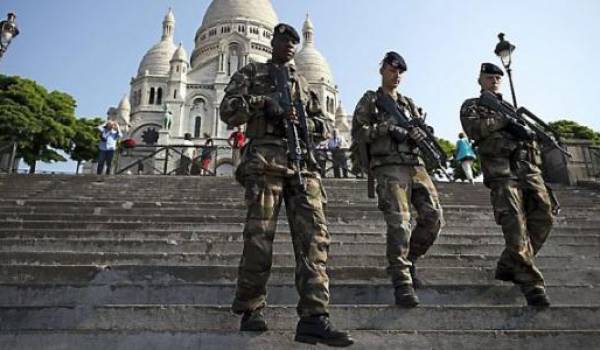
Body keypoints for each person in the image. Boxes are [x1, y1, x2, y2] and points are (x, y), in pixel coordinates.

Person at [220, 23, 353, 347]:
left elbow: (323, 124)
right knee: (259, 239)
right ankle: (251, 309)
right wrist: (263, 103)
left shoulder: (302, 83)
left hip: (301, 165)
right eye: (285, 40)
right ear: (273, 42)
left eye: (295, 41)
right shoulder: (252, 72)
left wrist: (304, 121)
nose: (291, 45)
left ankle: (314, 317)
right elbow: (228, 111)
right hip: (265, 161)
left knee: (315, 240)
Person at [351, 51, 444, 306]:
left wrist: (421, 133)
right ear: (382, 70)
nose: (397, 75)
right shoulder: (372, 100)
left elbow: (421, 128)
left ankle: (409, 259)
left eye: (401, 71)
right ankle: (402, 281)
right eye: (393, 70)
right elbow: (359, 133)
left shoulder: (408, 103)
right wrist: (389, 128)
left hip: (415, 165)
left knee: (434, 218)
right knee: (400, 223)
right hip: (389, 166)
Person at [460, 63, 554, 307]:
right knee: (514, 222)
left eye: (497, 78)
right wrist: (502, 122)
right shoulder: (473, 105)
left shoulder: (512, 108)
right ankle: (531, 282)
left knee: (544, 216)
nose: (494, 81)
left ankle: (509, 262)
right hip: (501, 170)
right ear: (479, 80)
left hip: (528, 170)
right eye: (489, 77)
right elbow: (473, 129)